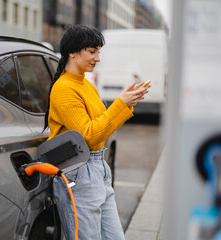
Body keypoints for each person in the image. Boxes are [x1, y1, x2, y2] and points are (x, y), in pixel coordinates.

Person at [44, 25, 150, 240]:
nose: (97, 58)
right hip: (79, 171)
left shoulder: (85, 83)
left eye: (98, 52)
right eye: (92, 51)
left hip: (97, 167)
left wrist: (124, 102)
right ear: (72, 52)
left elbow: (102, 125)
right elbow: (88, 136)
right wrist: (121, 104)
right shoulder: (64, 88)